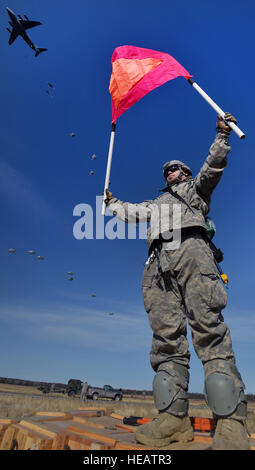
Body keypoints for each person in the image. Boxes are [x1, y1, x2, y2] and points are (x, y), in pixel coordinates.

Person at [104, 113, 250, 450]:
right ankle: (172, 420)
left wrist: (222, 135)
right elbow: (130, 212)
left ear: (184, 174)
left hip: (192, 252)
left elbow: (212, 168)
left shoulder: (195, 192)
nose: (170, 172)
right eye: (166, 170)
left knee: (209, 331)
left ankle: (230, 425)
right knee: (166, 340)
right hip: (157, 265)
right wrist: (111, 203)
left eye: (175, 169)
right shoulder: (155, 204)